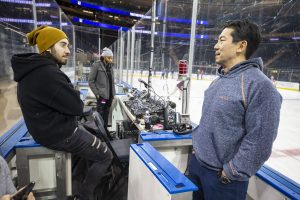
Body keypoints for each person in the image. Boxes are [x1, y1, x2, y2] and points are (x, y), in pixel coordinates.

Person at [11, 26, 112, 200]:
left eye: (68, 46)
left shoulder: (33, 70)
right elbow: (76, 107)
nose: (68, 51)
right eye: (63, 45)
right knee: (105, 155)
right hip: (61, 134)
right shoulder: (49, 73)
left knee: (93, 135)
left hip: (45, 132)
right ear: (48, 48)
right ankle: (84, 195)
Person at [188, 20, 282, 200]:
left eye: (222, 40)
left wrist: (230, 172)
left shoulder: (260, 86)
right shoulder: (219, 80)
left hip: (223, 180)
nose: (216, 46)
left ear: (241, 46)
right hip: (199, 167)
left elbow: (261, 140)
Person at [88, 47, 115, 128]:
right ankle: (99, 132)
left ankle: (105, 130)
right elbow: (91, 81)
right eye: (109, 57)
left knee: (107, 113)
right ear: (104, 57)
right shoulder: (96, 65)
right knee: (100, 113)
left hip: (110, 96)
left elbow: (112, 81)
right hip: (102, 97)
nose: (111, 59)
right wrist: (97, 94)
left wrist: (113, 93)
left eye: (111, 58)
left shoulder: (110, 66)